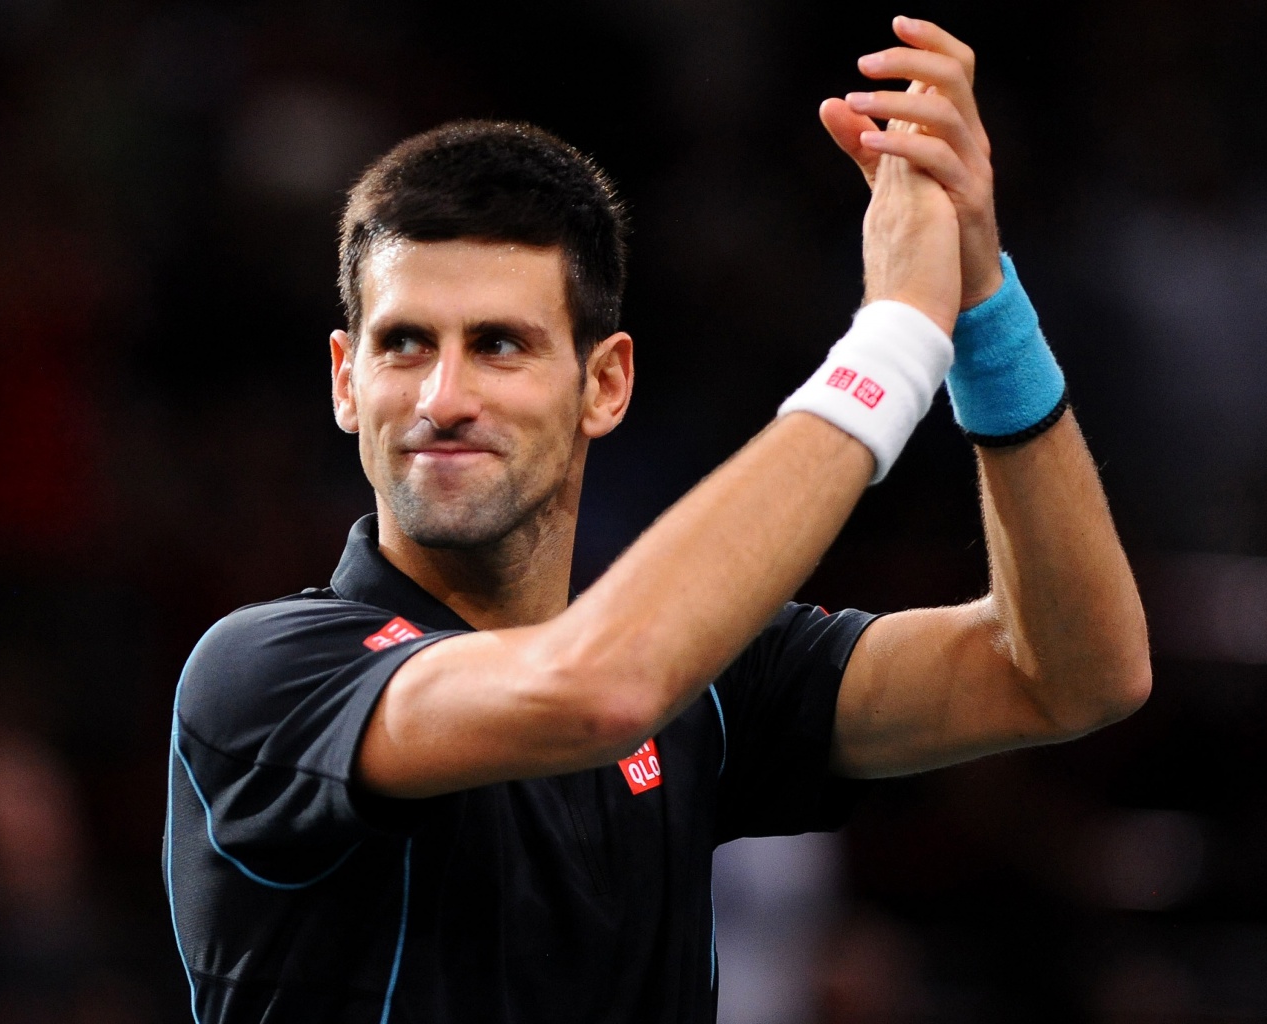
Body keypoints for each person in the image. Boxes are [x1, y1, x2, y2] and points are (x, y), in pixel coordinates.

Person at [164, 16, 1150, 1024]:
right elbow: (603, 686)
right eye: (406, 344)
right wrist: (895, 333)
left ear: (605, 383)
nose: (441, 396)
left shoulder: (708, 684)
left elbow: (1070, 672)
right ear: (344, 380)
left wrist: (981, 306)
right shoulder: (261, 674)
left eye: (499, 345)